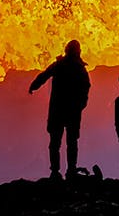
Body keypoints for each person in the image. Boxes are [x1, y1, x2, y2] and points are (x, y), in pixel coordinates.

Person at [29, 40, 91, 179]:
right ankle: (69, 170)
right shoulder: (79, 68)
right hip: (71, 111)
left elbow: (44, 75)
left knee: (57, 142)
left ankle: (57, 171)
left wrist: (34, 86)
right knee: (70, 142)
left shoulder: (60, 65)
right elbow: (86, 86)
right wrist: (81, 104)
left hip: (59, 110)